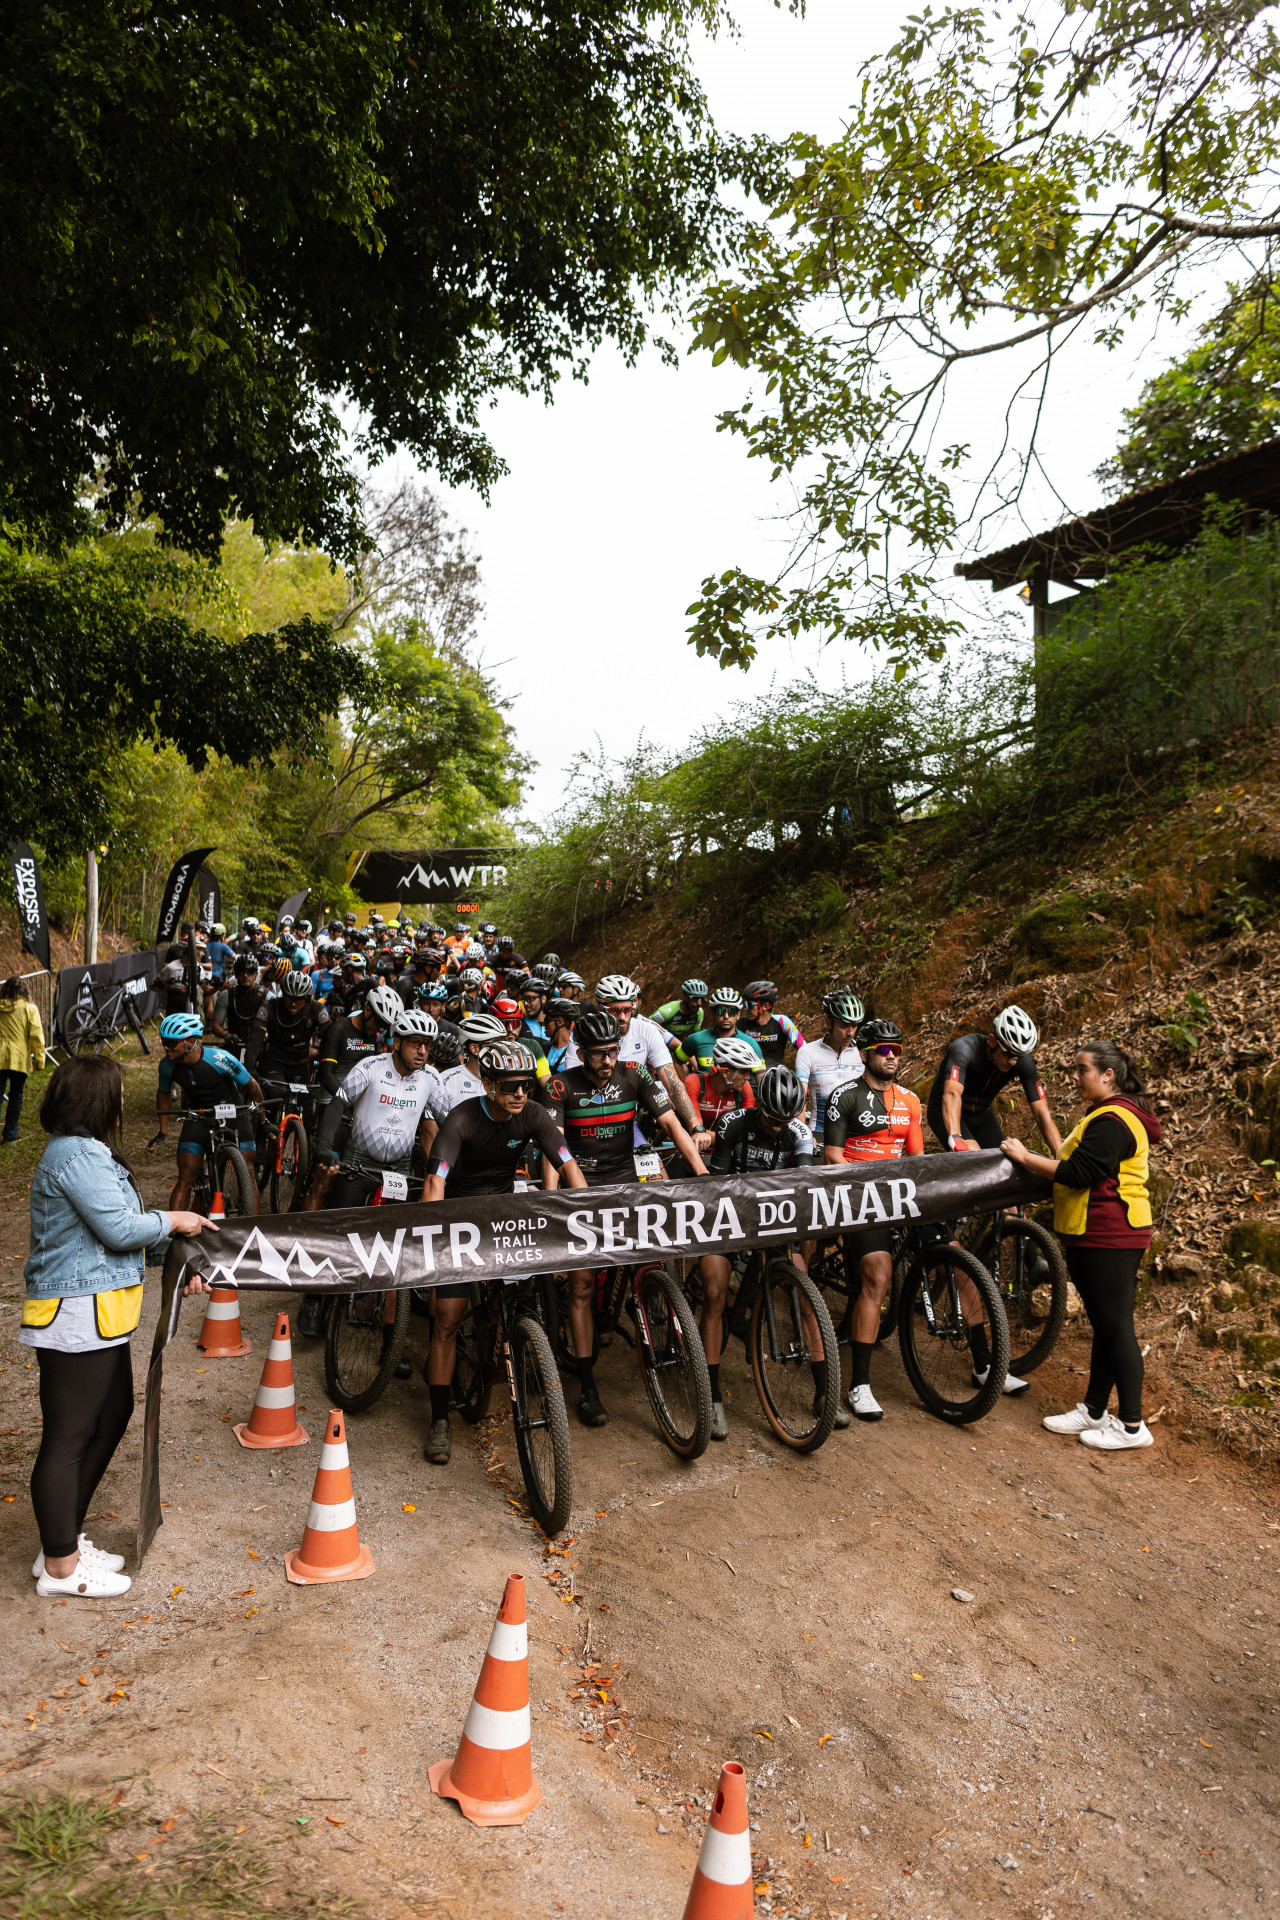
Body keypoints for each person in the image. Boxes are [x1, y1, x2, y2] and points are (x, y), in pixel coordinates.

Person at [23, 1055, 214, 1598]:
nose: (125, 1101)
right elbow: (118, 1226)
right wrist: (173, 1219)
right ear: (96, 1100)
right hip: (73, 1316)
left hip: (98, 1313)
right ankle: (60, 1567)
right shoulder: (77, 1154)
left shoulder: (91, 1153)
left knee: (112, 1414)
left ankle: (61, 1543)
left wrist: (178, 1261)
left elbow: (114, 1240)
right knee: (69, 1434)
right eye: (116, 1092)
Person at [421, 1040, 587, 1463]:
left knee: (522, 1292)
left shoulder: (531, 1113)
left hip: (504, 1213)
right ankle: (439, 1418)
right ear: (489, 1084)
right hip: (460, 1216)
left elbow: (567, 1164)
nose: (520, 1094)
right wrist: (434, 1231)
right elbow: (436, 1180)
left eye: (526, 1086)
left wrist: (585, 1209)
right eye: (511, 1086)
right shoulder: (461, 1118)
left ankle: (522, 1342)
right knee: (447, 1319)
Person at [544, 1009, 707, 1427]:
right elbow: (554, 1150)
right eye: (598, 1054)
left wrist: (704, 1177)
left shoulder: (635, 1076)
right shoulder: (561, 1086)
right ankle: (588, 1386)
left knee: (650, 1255)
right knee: (581, 1284)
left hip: (622, 1175)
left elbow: (672, 1126)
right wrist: (551, 1198)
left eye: (613, 1051)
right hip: (578, 1177)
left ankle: (654, 1308)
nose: (607, 1060)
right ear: (581, 1052)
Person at [1002, 1041, 1160, 1452]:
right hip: (1097, 1232)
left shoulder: (1114, 1119)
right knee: (1106, 1325)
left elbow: (1078, 1173)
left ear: (1108, 1075)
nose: (1074, 1076)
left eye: (1082, 1069)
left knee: (1117, 1327)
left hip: (1112, 1233)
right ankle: (1093, 1409)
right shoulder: (1108, 1115)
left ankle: (1131, 1425)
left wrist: (1024, 1157)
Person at [695, 1066, 843, 1440]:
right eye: (773, 1118)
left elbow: (805, 1184)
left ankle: (825, 1393)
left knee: (803, 1290)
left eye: (786, 1119)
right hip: (729, 1217)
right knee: (713, 1292)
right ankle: (711, 1399)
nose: (779, 1126)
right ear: (759, 1105)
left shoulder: (799, 1134)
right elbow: (717, 1188)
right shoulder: (733, 1125)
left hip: (773, 1219)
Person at [822, 1018, 926, 1422]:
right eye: (885, 1049)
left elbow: (915, 1158)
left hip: (898, 1193)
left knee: (947, 1243)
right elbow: (832, 1157)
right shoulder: (844, 1095)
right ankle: (859, 1385)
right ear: (866, 1052)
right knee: (877, 1275)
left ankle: (988, 1361)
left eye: (898, 1049)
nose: (893, 1056)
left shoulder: (911, 1101)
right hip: (859, 1193)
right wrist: (864, 1188)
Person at [148, 1013, 263, 1211]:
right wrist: (163, 1132)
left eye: (171, 1042)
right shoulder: (167, 1066)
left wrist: (262, 1120)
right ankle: (173, 1235)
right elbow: (164, 1093)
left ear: (191, 1041)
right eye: (163, 1041)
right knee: (185, 1177)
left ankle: (252, 1226)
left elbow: (252, 1087)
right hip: (198, 1113)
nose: (165, 1047)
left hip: (232, 1110)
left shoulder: (220, 1058)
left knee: (248, 1168)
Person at [565, 974, 700, 1131]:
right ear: (600, 1008)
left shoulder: (647, 1030)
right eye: (615, 1011)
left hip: (629, 1114)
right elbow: (573, 1086)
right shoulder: (582, 1032)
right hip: (590, 1113)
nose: (622, 1017)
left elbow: (674, 1086)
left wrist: (695, 1127)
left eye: (628, 1010)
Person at [927, 1005, 1061, 1154]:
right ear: (992, 1041)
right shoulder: (964, 1049)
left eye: (1019, 1056)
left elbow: (1042, 1115)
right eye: (1008, 1054)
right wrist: (956, 1139)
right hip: (945, 1109)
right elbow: (952, 1094)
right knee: (974, 1159)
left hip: (982, 1113)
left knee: (1002, 1162)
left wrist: (1064, 1159)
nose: (1013, 1062)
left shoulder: (1022, 1062)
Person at [795, 990, 864, 1146]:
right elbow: (799, 1100)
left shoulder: (863, 1053)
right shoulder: (808, 1052)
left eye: (854, 1026)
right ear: (828, 1022)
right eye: (844, 1026)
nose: (851, 1033)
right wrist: (804, 1135)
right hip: (819, 1132)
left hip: (855, 1134)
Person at [685, 1034, 760, 1157]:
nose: (748, 1078)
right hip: (683, 1151)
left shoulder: (744, 1088)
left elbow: (747, 1133)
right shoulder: (694, 1083)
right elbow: (696, 1130)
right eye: (744, 1072)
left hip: (720, 1153)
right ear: (725, 1072)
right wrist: (732, 1138)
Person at [0, 974, 46, 1143]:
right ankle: (10, 1133)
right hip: (18, 1058)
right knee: (16, 1095)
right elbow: (36, 1036)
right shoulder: (29, 1008)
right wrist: (40, 1059)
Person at [677, 988, 763, 1073]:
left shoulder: (750, 1043)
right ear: (713, 1013)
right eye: (720, 1011)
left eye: (731, 1011)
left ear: (738, 1015)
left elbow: (761, 1077)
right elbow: (676, 1060)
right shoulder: (696, 1039)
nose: (726, 1016)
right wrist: (682, 1085)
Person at [208, 953, 269, 1068]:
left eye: (250, 972)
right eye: (241, 971)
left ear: (256, 974)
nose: (245, 975)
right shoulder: (226, 996)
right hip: (234, 1047)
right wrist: (226, 1035)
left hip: (260, 1049)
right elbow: (215, 1027)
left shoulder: (267, 996)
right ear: (235, 973)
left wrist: (266, 1035)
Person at [439, 1010, 507, 1106]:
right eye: (494, 1044)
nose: (501, 1049)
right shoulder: (447, 1080)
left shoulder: (506, 1079)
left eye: (502, 1043)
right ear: (474, 1049)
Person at [741, 980, 805, 1069]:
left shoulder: (782, 1021)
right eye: (745, 1004)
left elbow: (804, 1049)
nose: (746, 1008)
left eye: (749, 1005)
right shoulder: (741, 1023)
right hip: (748, 1078)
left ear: (765, 1006)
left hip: (774, 1077)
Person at [652, 978, 708, 1047]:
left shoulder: (699, 1012)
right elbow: (646, 1026)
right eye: (695, 999)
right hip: (658, 1040)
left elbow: (695, 1038)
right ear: (685, 997)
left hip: (677, 1041)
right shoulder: (666, 1012)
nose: (699, 1003)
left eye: (702, 999)